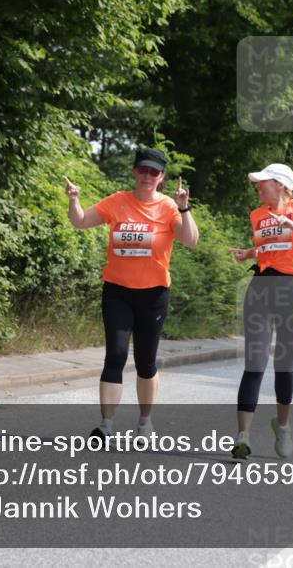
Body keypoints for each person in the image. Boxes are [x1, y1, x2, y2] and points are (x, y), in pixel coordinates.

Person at [64, 147, 199, 442]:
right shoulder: (118, 201)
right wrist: (74, 200)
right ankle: (105, 426)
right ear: (134, 172)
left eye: (153, 172)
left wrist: (184, 207)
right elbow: (80, 222)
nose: (147, 176)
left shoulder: (168, 207)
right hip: (118, 293)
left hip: (153, 296)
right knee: (115, 354)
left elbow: (190, 240)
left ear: (161, 177)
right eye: (142, 170)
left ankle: (144, 423)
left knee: (146, 362)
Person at [228, 163, 293, 460]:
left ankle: (283, 427)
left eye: (263, 182)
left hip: (292, 291)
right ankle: (242, 438)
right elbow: (270, 247)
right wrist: (249, 253)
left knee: (284, 365)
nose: (258, 187)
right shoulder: (258, 216)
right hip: (260, 289)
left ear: (281, 185)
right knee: (254, 364)